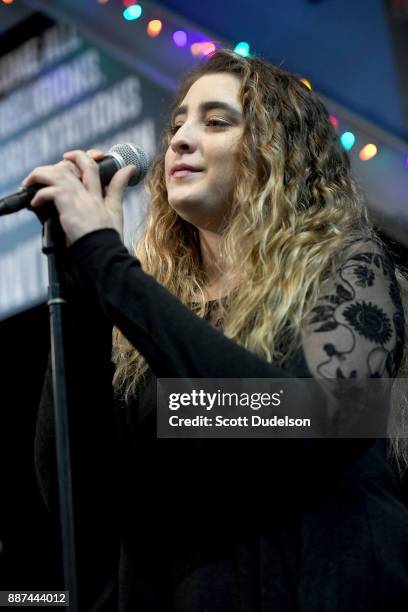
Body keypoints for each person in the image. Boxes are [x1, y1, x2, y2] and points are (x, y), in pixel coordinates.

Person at [30, 49, 408, 611]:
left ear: (280, 153)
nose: (180, 138)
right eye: (178, 121)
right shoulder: (143, 328)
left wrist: (109, 265)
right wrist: (84, 290)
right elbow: (77, 495)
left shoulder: (357, 269)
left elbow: (305, 420)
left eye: (216, 121)